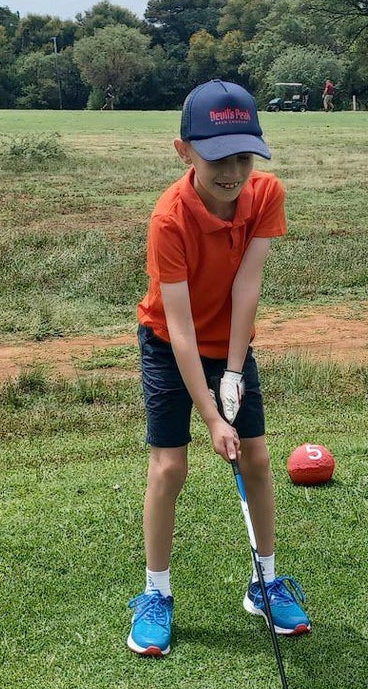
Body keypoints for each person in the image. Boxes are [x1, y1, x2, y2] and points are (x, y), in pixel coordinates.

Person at [127, 80, 312, 657]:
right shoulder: (169, 219)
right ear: (184, 151)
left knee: (256, 457)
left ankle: (265, 582)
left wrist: (232, 372)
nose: (233, 172)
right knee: (169, 469)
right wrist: (211, 416)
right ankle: (157, 593)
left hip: (230, 340)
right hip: (169, 343)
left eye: (243, 156)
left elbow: (247, 288)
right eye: (217, 158)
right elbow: (179, 329)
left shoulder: (266, 194)